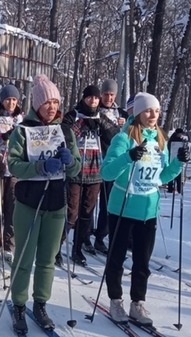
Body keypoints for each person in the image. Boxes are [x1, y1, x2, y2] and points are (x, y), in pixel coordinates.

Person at [101, 92, 188, 325]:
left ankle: (137, 303)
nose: (153, 115)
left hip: (148, 208)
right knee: (117, 258)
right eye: (148, 110)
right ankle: (115, 300)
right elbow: (106, 172)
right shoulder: (124, 138)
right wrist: (128, 157)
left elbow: (162, 177)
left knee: (142, 262)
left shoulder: (160, 139)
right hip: (123, 207)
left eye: (157, 111)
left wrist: (179, 163)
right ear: (138, 112)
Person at [7, 74, 81, 334]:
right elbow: (13, 164)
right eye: (46, 102)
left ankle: (40, 304)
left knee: (47, 259)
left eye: (55, 102)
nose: (51, 107)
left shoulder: (65, 131)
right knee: (24, 257)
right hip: (28, 202)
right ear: (36, 104)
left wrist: (69, 161)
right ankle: (18, 304)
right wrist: (39, 166)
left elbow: (77, 168)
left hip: (56, 203)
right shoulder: (22, 130)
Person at [60, 85, 116, 266]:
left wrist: (101, 124)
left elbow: (114, 136)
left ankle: (78, 247)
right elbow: (64, 135)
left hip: (95, 171)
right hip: (76, 170)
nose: (93, 101)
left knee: (87, 212)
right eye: (90, 98)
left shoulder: (101, 117)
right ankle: (56, 247)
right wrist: (81, 125)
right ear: (84, 98)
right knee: (71, 212)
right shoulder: (73, 115)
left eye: (96, 98)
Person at [94, 79, 129, 254]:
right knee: (91, 203)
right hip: (95, 161)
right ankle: (85, 235)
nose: (108, 97)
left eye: (111, 94)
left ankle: (102, 236)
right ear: (101, 94)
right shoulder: (95, 110)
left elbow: (131, 132)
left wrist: (123, 125)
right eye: (106, 94)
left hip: (114, 163)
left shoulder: (121, 113)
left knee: (109, 203)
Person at [0, 84, 22, 262]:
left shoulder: (21, 119)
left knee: (12, 208)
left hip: (14, 169)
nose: (11, 103)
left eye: (14, 100)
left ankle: (9, 244)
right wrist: (2, 137)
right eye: (8, 99)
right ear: (2, 100)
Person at [167, 128, 187, 194]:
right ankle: (170, 188)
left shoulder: (180, 140)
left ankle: (179, 189)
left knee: (179, 175)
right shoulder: (172, 139)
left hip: (178, 160)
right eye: (180, 134)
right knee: (172, 174)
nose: (181, 135)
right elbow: (170, 147)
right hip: (172, 158)